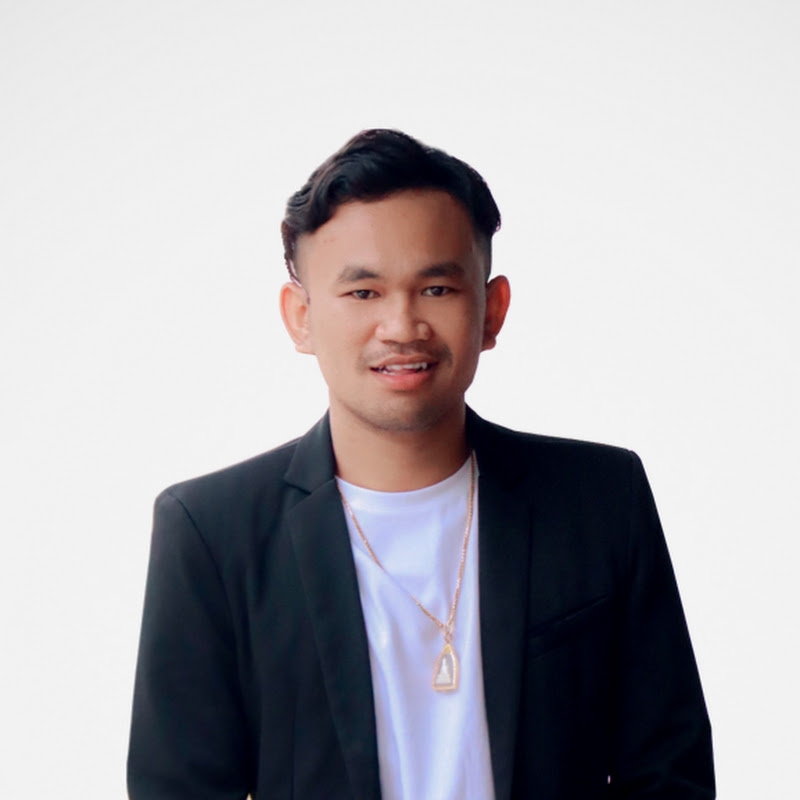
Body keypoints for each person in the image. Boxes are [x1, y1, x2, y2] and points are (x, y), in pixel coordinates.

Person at [128, 129, 715, 799]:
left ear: (492, 310)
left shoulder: (599, 501)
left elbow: (670, 772)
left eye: (436, 288)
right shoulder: (211, 532)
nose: (403, 326)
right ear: (301, 316)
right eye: (363, 293)